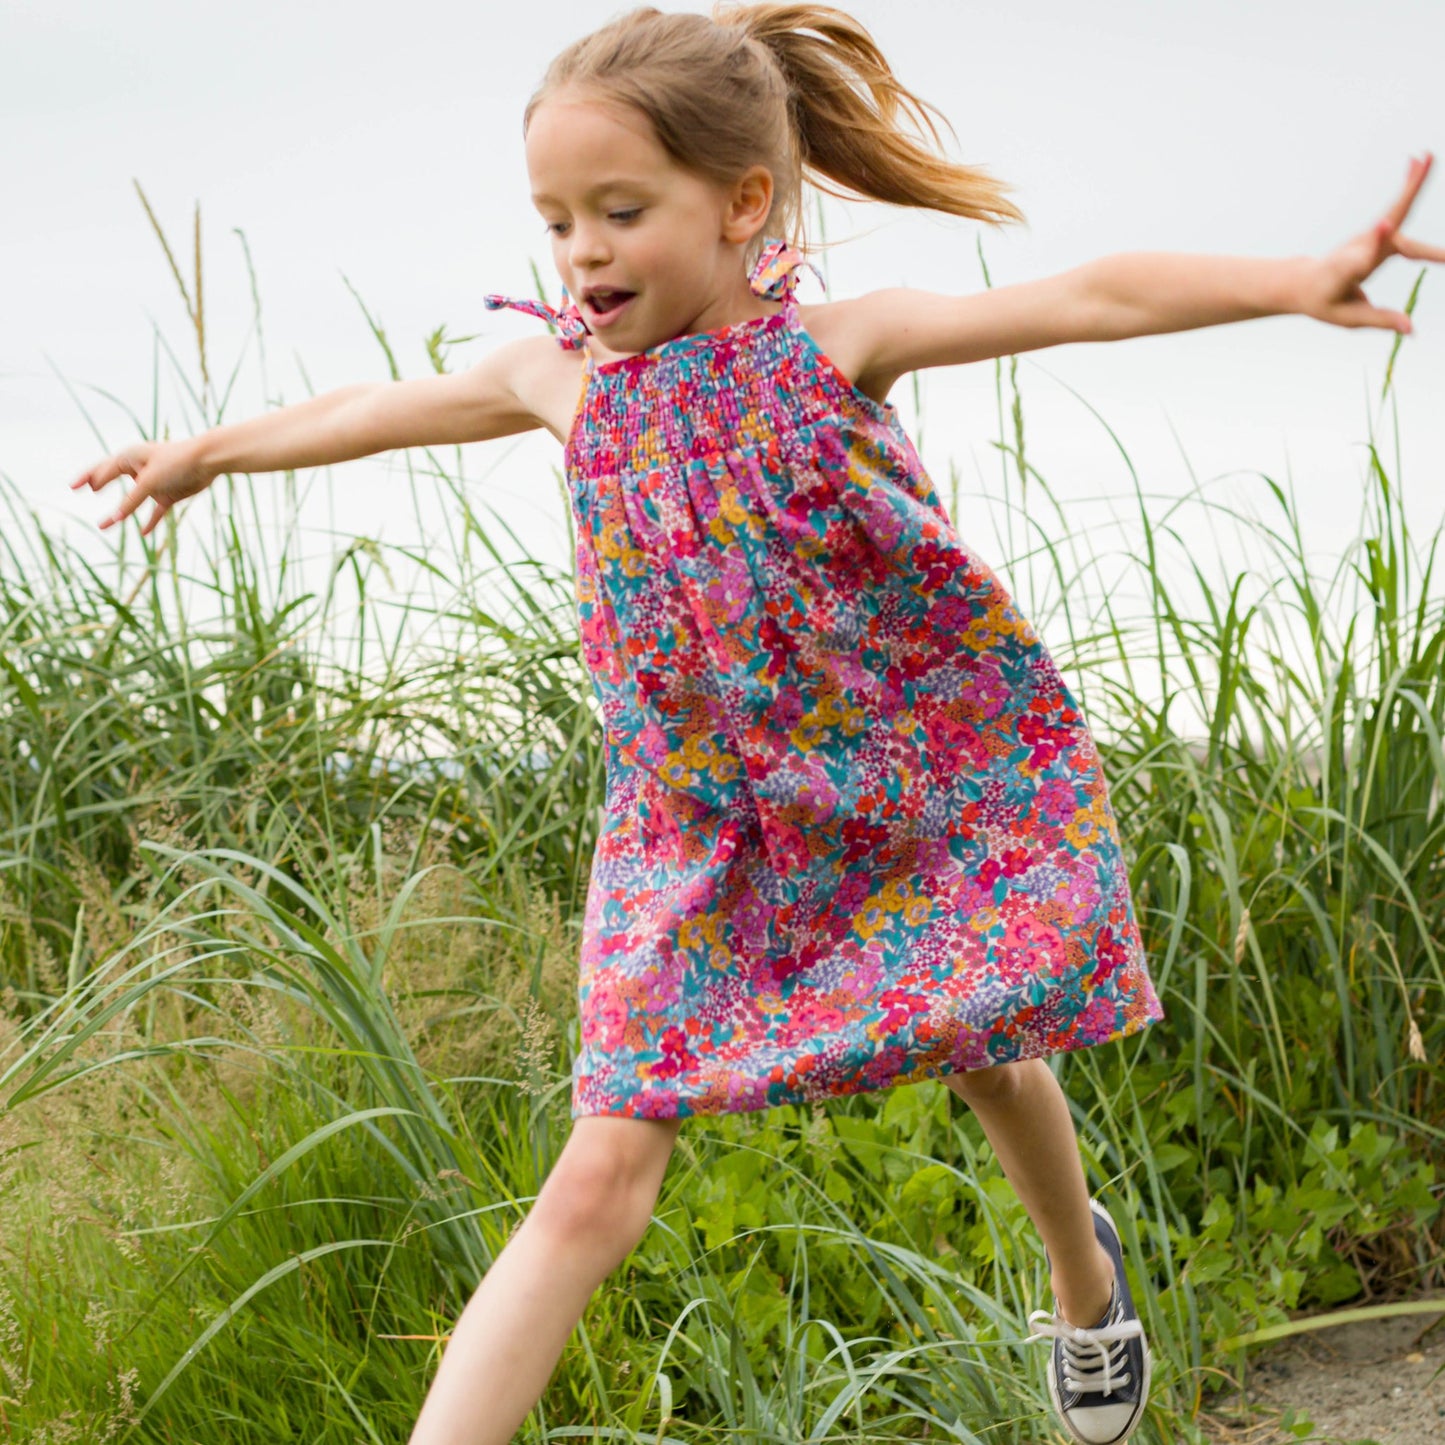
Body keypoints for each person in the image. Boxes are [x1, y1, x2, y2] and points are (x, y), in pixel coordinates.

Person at [70, 5, 1441, 1442]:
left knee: (985, 1044)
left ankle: (1079, 1276)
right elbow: (377, 406)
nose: (581, 252)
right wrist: (202, 452)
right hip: (691, 827)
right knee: (599, 1170)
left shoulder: (837, 347)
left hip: (894, 779)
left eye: (618, 211)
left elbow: (1088, 294)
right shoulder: (565, 381)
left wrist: (1300, 277)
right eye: (555, 222)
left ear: (740, 206)